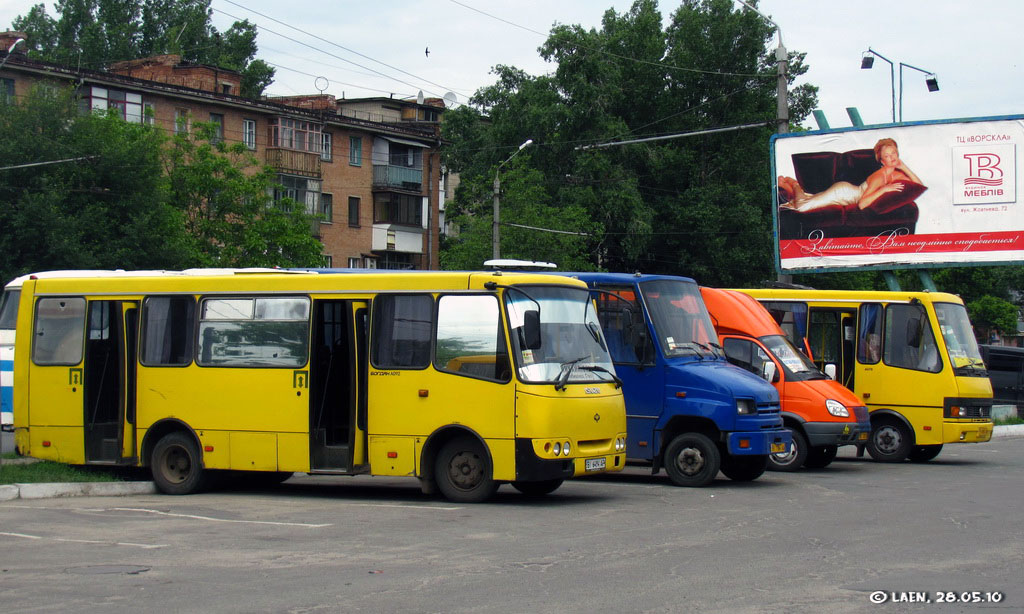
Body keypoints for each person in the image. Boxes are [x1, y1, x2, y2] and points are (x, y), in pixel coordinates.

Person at [778, 138, 924, 213]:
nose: (892, 157)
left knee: (811, 200)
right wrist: (884, 190)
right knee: (802, 208)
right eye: (887, 155)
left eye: (893, 153)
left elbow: (919, 186)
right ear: (881, 160)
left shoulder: (897, 173)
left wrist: (904, 166)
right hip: (843, 193)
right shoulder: (880, 176)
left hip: (846, 194)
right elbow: (862, 203)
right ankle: (794, 184)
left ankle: (792, 190)